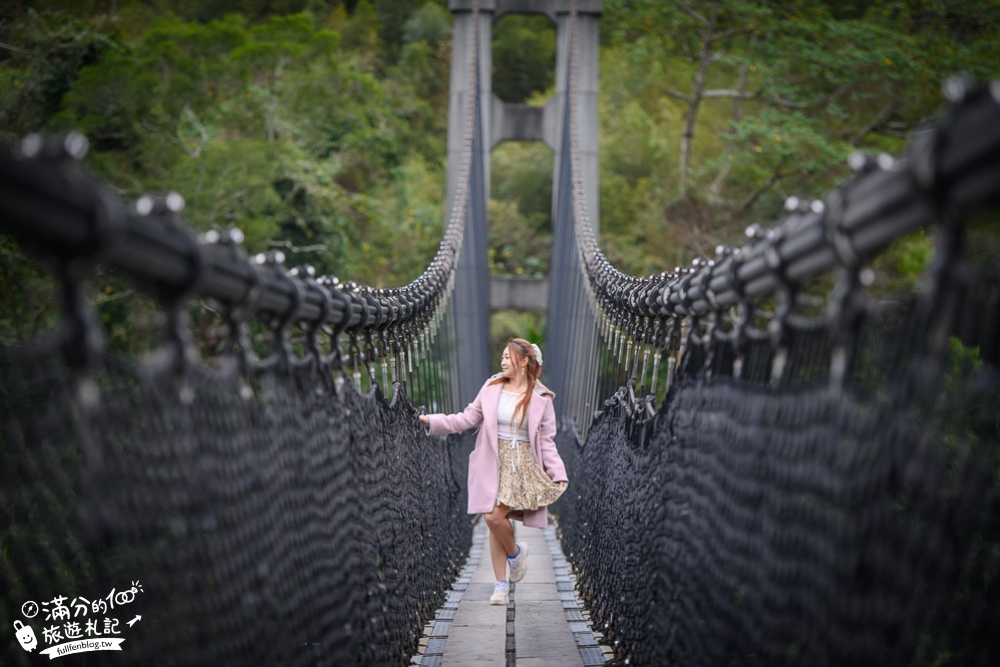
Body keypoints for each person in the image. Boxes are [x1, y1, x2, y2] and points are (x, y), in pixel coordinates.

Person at [419, 338, 568, 605]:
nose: (503, 362)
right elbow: (466, 418)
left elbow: (547, 440)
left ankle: (514, 558)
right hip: (493, 461)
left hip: (522, 465)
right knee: (495, 518)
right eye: (501, 357)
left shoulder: (541, 398)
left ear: (524, 362)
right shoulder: (491, 387)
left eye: (509, 357)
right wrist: (432, 421)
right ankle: (502, 584)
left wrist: (557, 472)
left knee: (494, 517)